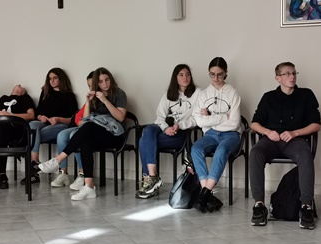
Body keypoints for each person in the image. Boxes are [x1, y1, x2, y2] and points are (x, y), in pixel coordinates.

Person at [37, 67, 127, 201]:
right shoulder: (96, 96)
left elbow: (121, 117)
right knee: (85, 139)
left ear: (111, 79)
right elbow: (85, 120)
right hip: (99, 134)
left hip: (116, 136)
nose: (105, 84)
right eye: (101, 81)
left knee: (88, 128)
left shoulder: (119, 93)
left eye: (107, 80)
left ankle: (58, 160)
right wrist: (88, 101)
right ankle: (89, 187)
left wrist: (105, 100)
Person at [249, 62, 321, 229]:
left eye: (294, 73)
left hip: (295, 140)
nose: (292, 76)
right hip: (271, 140)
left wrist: (295, 133)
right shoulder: (268, 97)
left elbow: (316, 125)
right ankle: (259, 205)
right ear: (278, 78)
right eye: (287, 73)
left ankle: (306, 206)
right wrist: (267, 132)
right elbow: (254, 123)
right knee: (255, 152)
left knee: (305, 154)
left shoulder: (306, 95)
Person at [137, 64, 199, 199]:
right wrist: (166, 128)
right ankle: (153, 176)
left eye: (187, 74)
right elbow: (160, 117)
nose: (185, 77)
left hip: (181, 133)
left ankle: (150, 180)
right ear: (175, 77)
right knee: (148, 129)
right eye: (181, 75)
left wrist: (179, 125)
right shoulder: (169, 94)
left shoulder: (197, 93)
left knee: (143, 141)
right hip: (165, 129)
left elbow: (196, 119)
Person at [190, 58, 241, 212]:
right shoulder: (204, 94)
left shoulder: (233, 93)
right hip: (210, 135)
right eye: (212, 74)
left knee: (222, 150)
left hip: (231, 135)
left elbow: (234, 123)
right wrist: (224, 117)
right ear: (208, 72)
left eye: (219, 74)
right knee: (196, 148)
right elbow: (199, 121)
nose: (216, 78)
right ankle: (206, 193)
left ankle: (204, 193)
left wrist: (210, 118)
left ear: (225, 73)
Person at [25, 68, 78, 184]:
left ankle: (36, 171)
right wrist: (40, 117)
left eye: (55, 78)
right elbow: (37, 112)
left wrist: (58, 119)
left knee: (32, 135)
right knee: (32, 124)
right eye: (50, 79)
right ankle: (35, 162)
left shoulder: (68, 95)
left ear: (61, 79)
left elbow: (73, 119)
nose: (52, 81)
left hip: (61, 126)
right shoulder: (45, 93)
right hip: (44, 124)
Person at [50, 72, 94, 191]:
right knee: (61, 135)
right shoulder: (90, 99)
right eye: (89, 85)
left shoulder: (100, 99)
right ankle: (63, 173)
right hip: (78, 125)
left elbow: (87, 120)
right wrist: (80, 121)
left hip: (87, 129)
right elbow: (79, 117)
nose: (91, 88)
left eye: (93, 85)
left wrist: (81, 121)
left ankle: (82, 174)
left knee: (75, 135)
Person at [0, 85, 36, 189]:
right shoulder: (3, 98)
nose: (19, 85)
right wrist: (0, 116)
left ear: (23, 92)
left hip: (16, 130)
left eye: (21, 87)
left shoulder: (25, 98)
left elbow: (31, 115)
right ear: (11, 91)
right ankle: (0, 172)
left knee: (0, 129)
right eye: (17, 85)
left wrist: (10, 116)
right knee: (0, 127)